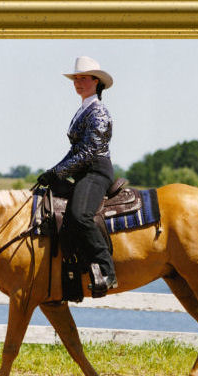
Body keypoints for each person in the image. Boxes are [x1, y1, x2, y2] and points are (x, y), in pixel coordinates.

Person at [38, 56, 117, 294]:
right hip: (83, 170)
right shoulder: (83, 110)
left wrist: (59, 172)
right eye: (75, 78)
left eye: (83, 78)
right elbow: (74, 151)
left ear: (96, 81)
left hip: (96, 171)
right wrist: (52, 172)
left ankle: (107, 270)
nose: (78, 82)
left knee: (80, 215)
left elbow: (89, 151)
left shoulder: (99, 112)